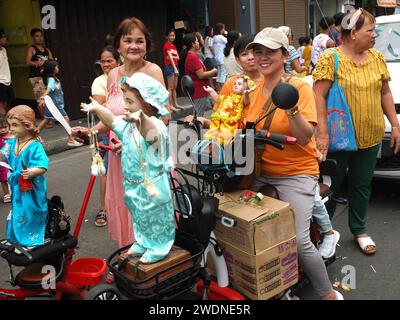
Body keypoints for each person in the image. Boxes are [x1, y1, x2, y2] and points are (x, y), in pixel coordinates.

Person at [245, 27, 342, 300]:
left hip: (295, 172)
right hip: (259, 170)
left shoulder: (299, 87)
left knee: (298, 242)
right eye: (258, 51)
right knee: (231, 221)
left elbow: (303, 137)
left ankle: (327, 293)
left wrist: (291, 107)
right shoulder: (252, 91)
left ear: (284, 54)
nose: (263, 57)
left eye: (270, 51)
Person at [313, 9, 400, 255]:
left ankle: (359, 229)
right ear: (352, 33)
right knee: (330, 186)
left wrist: (394, 125)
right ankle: (324, 232)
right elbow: (318, 95)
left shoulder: (376, 58)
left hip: (371, 136)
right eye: (370, 30)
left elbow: (385, 92)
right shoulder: (331, 58)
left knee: (362, 185)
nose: (375, 35)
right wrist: (322, 133)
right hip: (338, 139)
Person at [73, 17, 166, 248]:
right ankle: (128, 254)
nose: (134, 46)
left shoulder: (153, 71)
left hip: (145, 157)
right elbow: (112, 116)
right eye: (128, 40)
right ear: (118, 46)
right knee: (124, 205)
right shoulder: (114, 74)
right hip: (118, 158)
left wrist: (134, 142)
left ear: (147, 45)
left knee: (146, 207)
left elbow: (163, 117)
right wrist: (90, 131)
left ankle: (151, 261)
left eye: (139, 41)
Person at [81, 72, 175, 263]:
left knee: (155, 216)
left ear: (147, 104)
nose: (125, 106)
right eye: (125, 100)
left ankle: (158, 247)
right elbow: (112, 121)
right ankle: (142, 241)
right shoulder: (129, 125)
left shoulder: (154, 125)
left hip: (152, 186)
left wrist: (142, 120)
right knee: (139, 215)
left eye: (130, 102)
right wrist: (98, 108)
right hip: (133, 184)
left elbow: (153, 136)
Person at [184, 34, 263, 127]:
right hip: (239, 138)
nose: (251, 57)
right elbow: (221, 121)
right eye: (244, 54)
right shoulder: (231, 83)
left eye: (255, 52)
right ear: (238, 60)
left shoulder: (272, 82)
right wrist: (204, 121)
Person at [0, 105, 48, 246]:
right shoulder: (12, 142)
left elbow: (43, 164)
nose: (11, 129)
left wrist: (33, 171)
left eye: (15, 125)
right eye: (10, 125)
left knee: (31, 210)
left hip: (32, 187)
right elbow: (3, 155)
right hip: (17, 186)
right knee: (17, 210)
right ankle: (17, 238)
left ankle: (32, 238)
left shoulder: (34, 146)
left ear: (27, 125)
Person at [91, 45, 120, 227]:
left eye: (110, 60)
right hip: (108, 130)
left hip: (131, 130)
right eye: (103, 61)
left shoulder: (126, 77)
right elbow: (101, 106)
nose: (106, 64)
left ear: (118, 61)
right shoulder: (99, 81)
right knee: (106, 170)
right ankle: (104, 208)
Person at [38, 60, 82, 147]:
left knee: (46, 119)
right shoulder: (51, 79)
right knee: (66, 119)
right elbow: (49, 88)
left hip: (54, 103)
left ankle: (33, 134)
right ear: (52, 69)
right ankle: (71, 139)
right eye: (56, 67)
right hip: (55, 104)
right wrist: (43, 96)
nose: (58, 68)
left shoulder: (53, 78)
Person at [203, 75, 254, 144]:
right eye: (235, 84)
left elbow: (246, 102)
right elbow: (218, 99)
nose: (236, 85)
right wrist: (211, 91)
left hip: (232, 122)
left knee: (226, 135)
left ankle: (224, 142)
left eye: (239, 84)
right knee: (215, 132)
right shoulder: (228, 97)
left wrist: (246, 94)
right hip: (221, 120)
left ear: (245, 88)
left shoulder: (241, 98)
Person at [182, 33, 217, 117]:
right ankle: (195, 130)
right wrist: (214, 71)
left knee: (198, 114)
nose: (198, 43)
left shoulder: (193, 55)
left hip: (199, 90)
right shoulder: (192, 57)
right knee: (198, 116)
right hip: (198, 91)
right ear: (193, 44)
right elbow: (201, 75)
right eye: (197, 41)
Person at [25, 28, 54, 120]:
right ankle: (45, 120)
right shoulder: (32, 49)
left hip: (46, 77)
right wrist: (37, 63)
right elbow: (27, 62)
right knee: (41, 98)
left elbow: (52, 61)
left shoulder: (47, 50)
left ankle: (49, 118)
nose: (40, 38)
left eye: (41, 36)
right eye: (37, 36)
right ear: (33, 38)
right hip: (36, 77)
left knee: (48, 97)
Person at [163, 29, 182, 112]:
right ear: (167, 36)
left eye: (173, 35)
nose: (172, 37)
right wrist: (174, 68)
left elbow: (178, 57)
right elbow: (170, 58)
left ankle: (175, 103)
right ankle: (170, 105)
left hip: (175, 66)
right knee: (170, 87)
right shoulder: (166, 45)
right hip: (170, 67)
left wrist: (173, 57)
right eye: (170, 35)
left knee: (174, 87)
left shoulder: (173, 46)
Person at [0, 30, 14, 116]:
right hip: (0, 81)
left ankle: (5, 121)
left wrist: (9, 78)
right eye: (3, 37)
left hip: (7, 81)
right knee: (1, 103)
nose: (5, 38)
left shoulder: (4, 50)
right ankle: (4, 124)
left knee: (9, 101)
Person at [0, 115, 12, 203]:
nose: (2, 130)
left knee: (15, 176)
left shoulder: (13, 136)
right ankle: (6, 194)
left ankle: (16, 191)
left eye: (4, 127)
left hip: (12, 160)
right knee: (3, 178)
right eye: (0, 128)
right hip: (2, 161)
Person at [213, 23, 228, 91]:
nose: (224, 30)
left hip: (217, 58)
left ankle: (219, 90)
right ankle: (223, 89)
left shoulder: (214, 37)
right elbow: (228, 41)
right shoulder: (220, 37)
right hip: (222, 58)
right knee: (223, 73)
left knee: (219, 74)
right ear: (221, 29)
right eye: (223, 28)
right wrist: (226, 34)